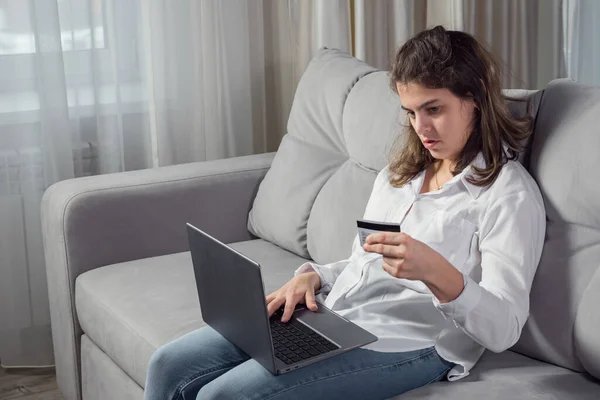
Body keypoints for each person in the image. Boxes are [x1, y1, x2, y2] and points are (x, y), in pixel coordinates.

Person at [144, 25, 546, 400]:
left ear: (474, 97)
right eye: (410, 112)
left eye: (433, 109)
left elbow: (505, 326)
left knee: (223, 395)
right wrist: (315, 277)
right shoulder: (399, 175)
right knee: (168, 364)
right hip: (338, 315)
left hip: (412, 342)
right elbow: (365, 261)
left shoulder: (508, 195)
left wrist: (437, 272)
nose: (421, 128)